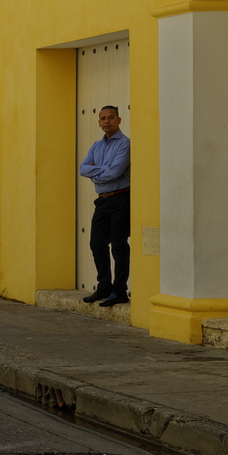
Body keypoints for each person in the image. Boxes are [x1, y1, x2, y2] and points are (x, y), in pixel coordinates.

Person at [79, 105, 131, 308]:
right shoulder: (96, 146)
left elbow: (115, 172)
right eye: (103, 118)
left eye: (111, 117)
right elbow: (83, 169)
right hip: (102, 200)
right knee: (96, 243)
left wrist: (96, 173)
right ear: (99, 122)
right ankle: (104, 287)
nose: (106, 121)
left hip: (120, 198)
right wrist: (103, 171)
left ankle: (119, 291)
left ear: (119, 120)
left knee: (118, 245)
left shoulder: (125, 144)